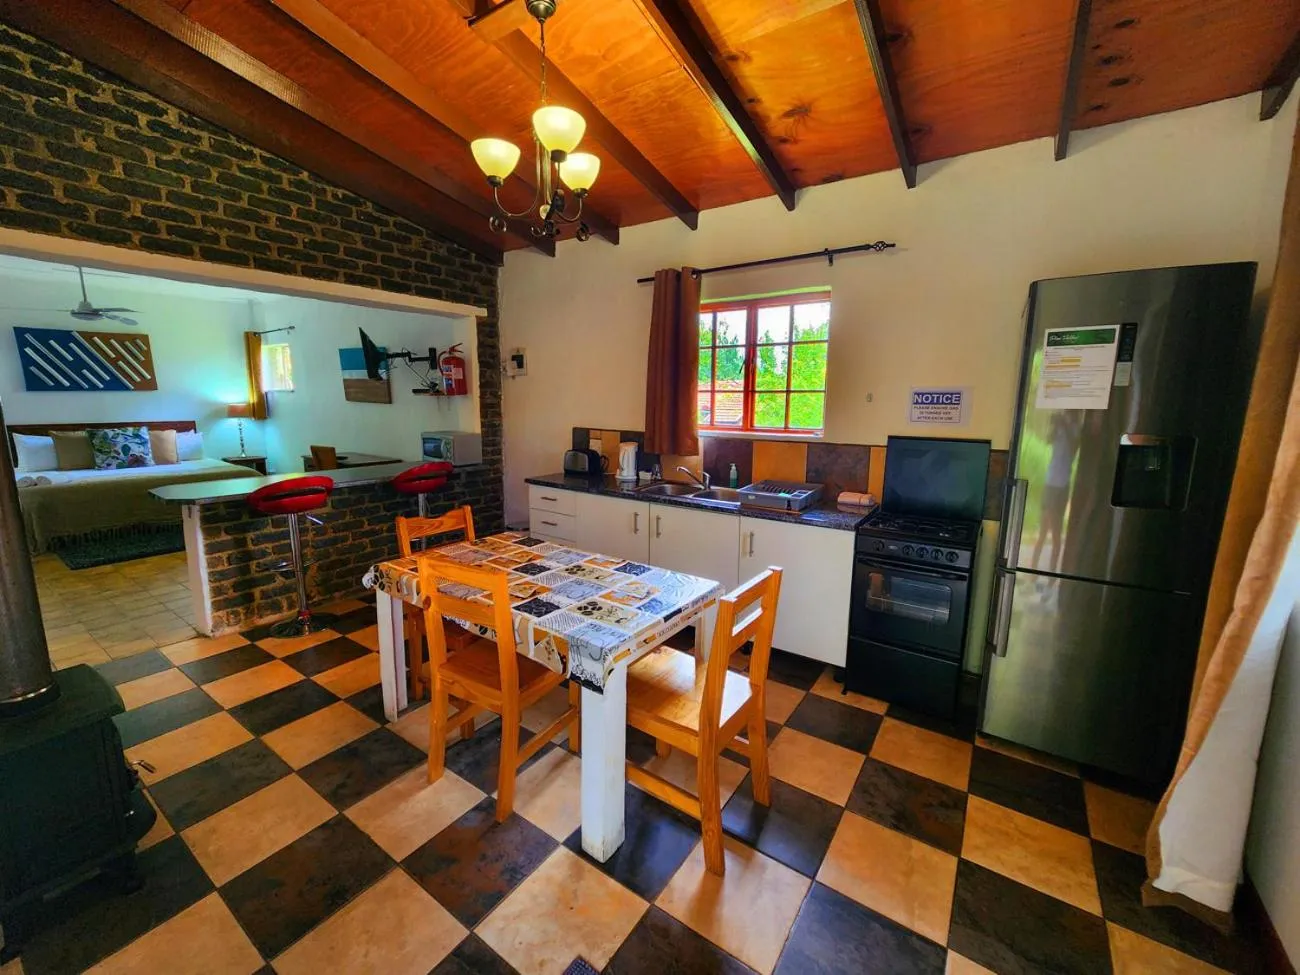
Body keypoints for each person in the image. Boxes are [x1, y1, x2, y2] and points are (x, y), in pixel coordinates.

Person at [1032, 412, 1082, 574]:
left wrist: (1065, 424)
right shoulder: (1060, 428)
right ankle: (1032, 575)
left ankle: (1051, 578)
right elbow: (1048, 439)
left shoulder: (1075, 429)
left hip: (1061, 486)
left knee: (1055, 535)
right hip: (1049, 483)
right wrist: (1055, 423)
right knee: (1042, 532)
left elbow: (1074, 446)